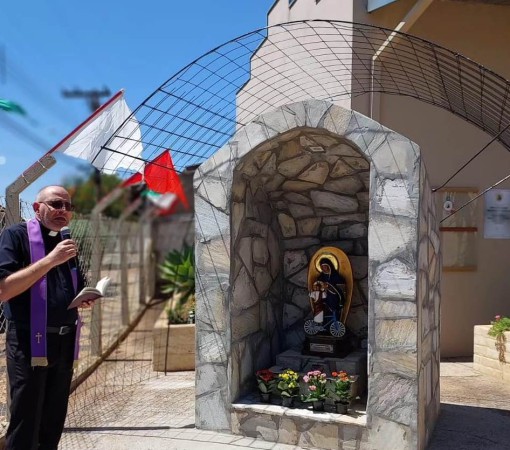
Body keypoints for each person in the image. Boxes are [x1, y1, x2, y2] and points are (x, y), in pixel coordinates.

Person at [0, 185, 90, 450]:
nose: (63, 211)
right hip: (30, 341)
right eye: (56, 204)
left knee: (53, 419)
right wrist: (51, 260)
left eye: (68, 207)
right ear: (38, 208)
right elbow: (4, 289)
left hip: (64, 342)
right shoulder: (15, 236)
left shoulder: (67, 241)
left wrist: (85, 297)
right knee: (26, 419)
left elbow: (73, 288)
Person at [313, 257, 346, 321]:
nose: (323, 268)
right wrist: (321, 287)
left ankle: (335, 320)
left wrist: (329, 286)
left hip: (334, 296)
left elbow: (341, 288)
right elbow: (317, 286)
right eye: (321, 267)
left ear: (329, 266)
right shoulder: (320, 277)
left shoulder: (336, 276)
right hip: (323, 296)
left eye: (324, 266)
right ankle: (321, 323)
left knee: (332, 300)